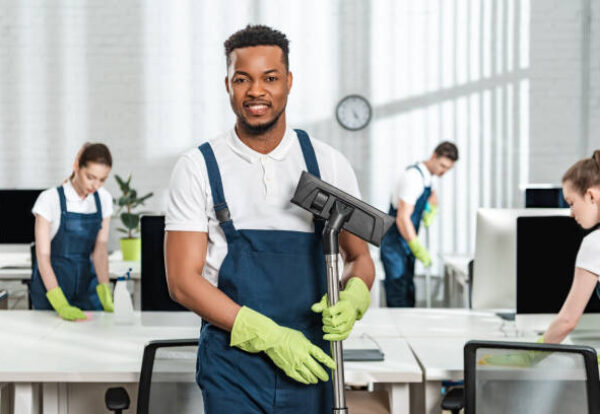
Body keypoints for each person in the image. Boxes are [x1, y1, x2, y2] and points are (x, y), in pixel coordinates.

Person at [165, 25, 374, 413]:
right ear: (227, 84)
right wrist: (269, 336)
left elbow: (359, 258)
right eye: (242, 79)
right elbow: (181, 282)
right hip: (233, 369)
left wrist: (355, 295)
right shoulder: (198, 168)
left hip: (313, 360)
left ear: (289, 82)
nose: (256, 91)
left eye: (270, 78)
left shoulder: (327, 163)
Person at [30, 143, 114, 320]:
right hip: (52, 289)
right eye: (90, 177)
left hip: (87, 289)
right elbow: (43, 258)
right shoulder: (49, 199)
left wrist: (106, 291)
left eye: (102, 179)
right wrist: (60, 303)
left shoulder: (104, 199)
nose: (95, 185)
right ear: (77, 166)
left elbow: (99, 252)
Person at [380, 142, 458, 307]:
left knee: (409, 291)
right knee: (398, 294)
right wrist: (416, 246)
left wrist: (432, 209)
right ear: (433, 156)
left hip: (406, 242)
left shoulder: (430, 177)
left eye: (448, 168)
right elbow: (402, 218)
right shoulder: (413, 178)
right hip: (394, 245)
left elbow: (432, 196)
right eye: (442, 165)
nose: (443, 171)